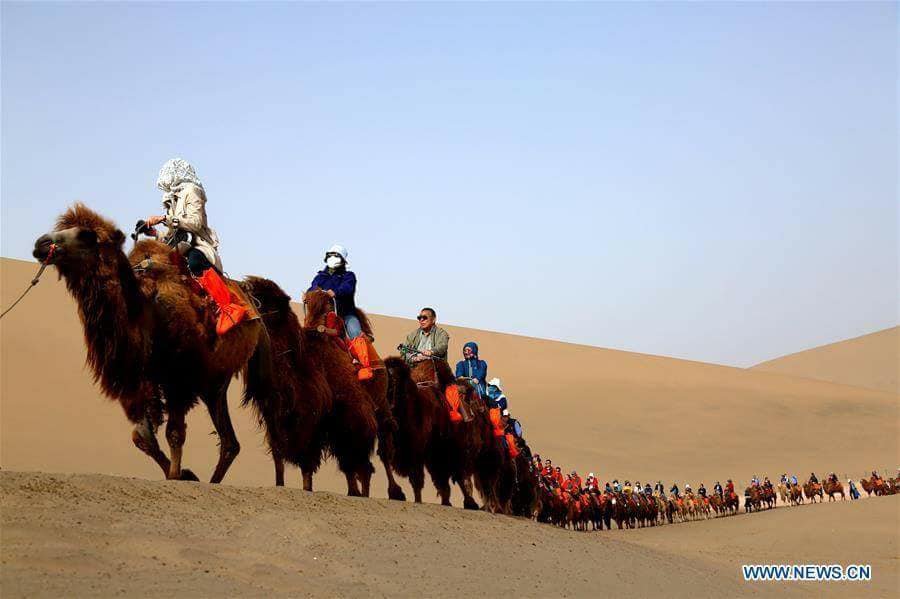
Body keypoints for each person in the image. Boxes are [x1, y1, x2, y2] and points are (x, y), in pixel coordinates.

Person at [147, 158, 246, 335]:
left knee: (195, 262)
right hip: (179, 244)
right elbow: (172, 235)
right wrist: (155, 233)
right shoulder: (171, 198)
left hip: (197, 243)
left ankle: (228, 307)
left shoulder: (192, 191)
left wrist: (165, 219)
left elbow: (195, 223)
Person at [307, 244, 381, 380]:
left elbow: (347, 288)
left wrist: (335, 292)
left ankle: (364, 367)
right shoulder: (320, 276)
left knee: (355, 333)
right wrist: (309, 294)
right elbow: (313, 288)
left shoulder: (348, 276)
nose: (332, 258)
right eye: (330, 255)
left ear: (342, 260)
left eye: (336, 256)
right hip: (323, 315)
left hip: (345, 314)